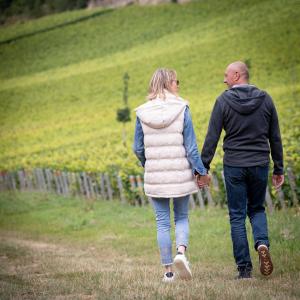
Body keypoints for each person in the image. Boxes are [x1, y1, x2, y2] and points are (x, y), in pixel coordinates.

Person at [201, 61, 284, 279]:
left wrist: (203, 167)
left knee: (237, 216)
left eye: (226, 75)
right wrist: (279, 167)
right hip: (259, 163)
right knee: (257, 209)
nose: (224, 80)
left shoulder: (223, 100)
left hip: (235, 165)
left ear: (237, 75)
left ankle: (244, 270)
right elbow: (275, 136)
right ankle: (262, 244)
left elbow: (212, 136)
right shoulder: (266, 99)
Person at [133, 68, 210, 282]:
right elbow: (192, 148)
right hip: (179, 175)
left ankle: (168, 272)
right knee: (182, 217)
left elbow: (137, 148)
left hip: (155, 175)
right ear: (168, 83)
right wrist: (201, 173)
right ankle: (181, 254)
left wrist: (148, 164)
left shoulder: (142, 112)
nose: (179, 85)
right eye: (177, 81)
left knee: (162, 222)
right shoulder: (182, 108)